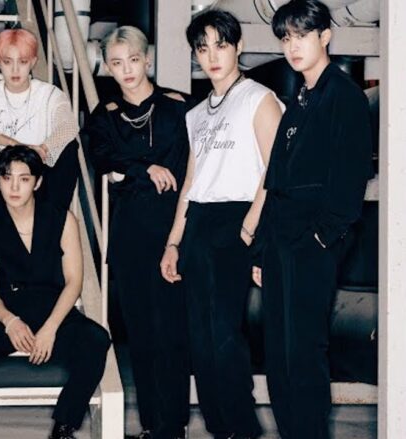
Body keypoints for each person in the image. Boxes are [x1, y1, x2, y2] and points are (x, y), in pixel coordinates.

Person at [159, 9, 284, 439]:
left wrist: (248, 227)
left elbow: (275, 170)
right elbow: (191, 183)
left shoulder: (258, 98)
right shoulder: (196, 114)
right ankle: (219, 427)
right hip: (200, 222)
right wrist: (173, 242)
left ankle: (242, 428)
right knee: (200, 333)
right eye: (203, 48)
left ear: (238, 47)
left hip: (237, 217)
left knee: (224, 331)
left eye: (221, 45)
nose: (212, 56)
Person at [253, 2, 373, 438]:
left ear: (324, 36)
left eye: (302, 35)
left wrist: (322, 238)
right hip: (280, 242)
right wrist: (263, 249)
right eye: (286, 38)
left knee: (304, 351)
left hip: (311, 243)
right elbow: (276, 178)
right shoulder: (299, 100)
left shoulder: (344, 96)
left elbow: (351, 176)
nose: (293, 46)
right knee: (279, 352)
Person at [0, 146, 111, 439]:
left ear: (37, 183)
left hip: (54, 312)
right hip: (9, 314)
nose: (14, 187)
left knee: (96, 339)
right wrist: (10, 321)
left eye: (24, 179)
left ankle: (64, 426)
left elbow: (74, 281)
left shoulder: (62, 220)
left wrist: (51, 328)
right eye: (7, 178)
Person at [86, 25, 191, 439]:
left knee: (171, 333)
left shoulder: (178, 108)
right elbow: (101, 158)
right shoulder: (104, 116)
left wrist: (127, 171)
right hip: (130, 237)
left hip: (172, 232)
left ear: (147, 60)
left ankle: (173, 427)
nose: (126, 70)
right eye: (116, 63)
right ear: (107, 67)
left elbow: (186, 168)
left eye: (133, 60)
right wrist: (145, 168)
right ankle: (151, 426)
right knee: (141, 337)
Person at [0, 28, 80, 212]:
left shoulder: (50, 94)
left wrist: (43, 149)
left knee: (70, 146)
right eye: (7, 62)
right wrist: (19, 147)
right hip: (2, 174)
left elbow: (68, 127)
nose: (15, 70)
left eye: (22, 61)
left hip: (38, 173)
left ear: (33, 62)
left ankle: (54, 214)